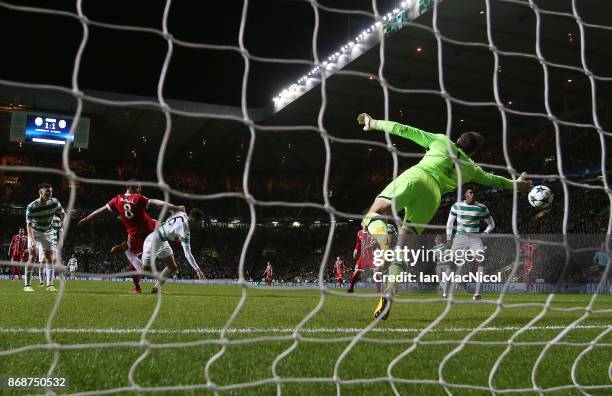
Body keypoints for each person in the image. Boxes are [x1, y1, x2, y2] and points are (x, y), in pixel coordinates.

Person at [356, 114, 532, 319]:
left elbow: (404, 129)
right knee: (402, 247)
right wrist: (519, 185)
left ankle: (383, 237)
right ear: (473, 152)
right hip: (433, 197)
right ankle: (388, 293)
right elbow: (495, 180)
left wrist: (373, 123)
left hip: (418, 176)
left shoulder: (441, 140)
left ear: (458, 140)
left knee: (372, 215)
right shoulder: (471, 169)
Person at [78, 181, 184, 293]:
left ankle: (150, 288)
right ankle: (137, 282)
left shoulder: (117, 199)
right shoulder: (138, 198)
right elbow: (158, 204)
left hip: (138, 236)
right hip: (152, 232)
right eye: (138, 188)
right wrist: (175, 207)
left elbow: (100, 211)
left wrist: (86, 219)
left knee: (171, 266)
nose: (140, 190)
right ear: (131, 187)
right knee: (145, 268)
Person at [141, 208, 205, 293]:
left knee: (172, 267)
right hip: (153, 240)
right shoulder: (185, 229)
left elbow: (171, 209)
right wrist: (197, 270)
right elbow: (187, 253)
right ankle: (132, 259)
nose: (199, 224)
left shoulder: (181, 213)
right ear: (194, 219)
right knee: (144, 271)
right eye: (199, 221)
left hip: (163, 240)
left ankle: (156, 289)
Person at [446, 188, 494, 300]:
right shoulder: (456, 206)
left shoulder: (481, 208)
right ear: (465, 195)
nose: (472, 194)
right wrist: (449, 239)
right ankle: (445, 292)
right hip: (459, 238)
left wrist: (486, 233)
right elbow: (450, 223)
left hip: (474, 238)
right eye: (470, 193)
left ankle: (477, 294)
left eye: (474, 193)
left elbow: (491, 224)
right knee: (451, 263)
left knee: (481, 260)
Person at [24, 183, 64, 292]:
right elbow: (29, 225)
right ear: (40, 192)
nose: (49, 194)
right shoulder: (31, 206)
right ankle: (27, 285)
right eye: (47, 192)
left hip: (48, 232)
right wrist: (32, 240)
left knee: (49, 258)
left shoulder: (55, 202)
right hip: (35, 232)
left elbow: (63, 213)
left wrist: (61, 224)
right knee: (32, 256)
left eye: (51, 192)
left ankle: (49, 285)